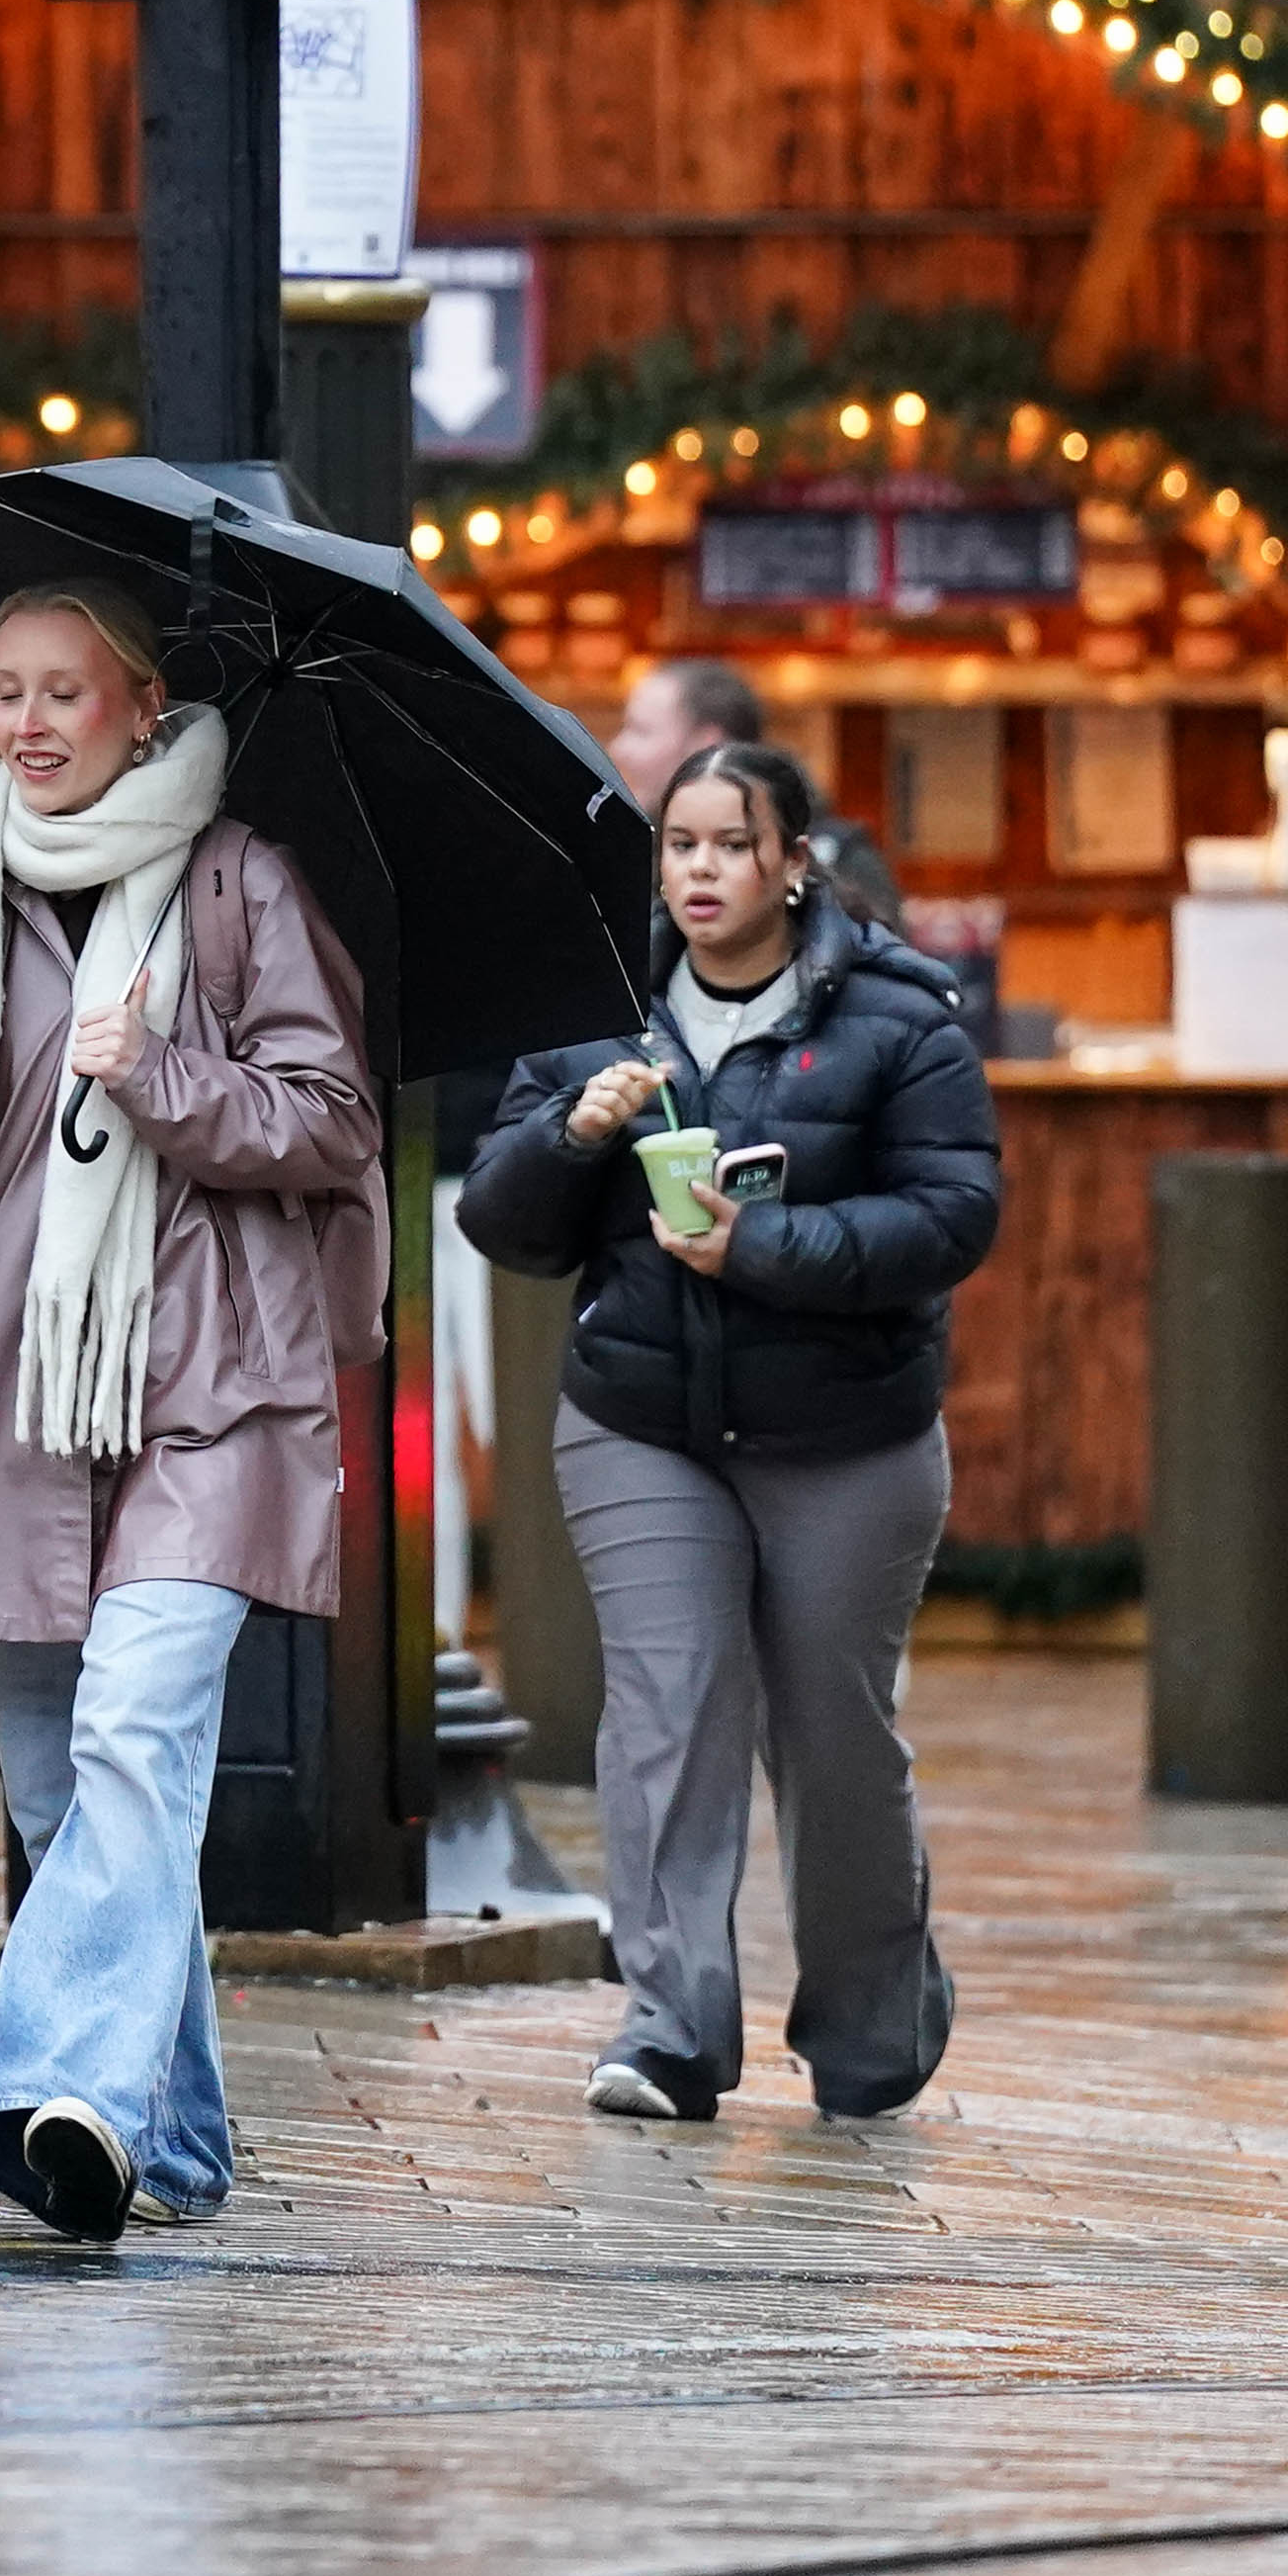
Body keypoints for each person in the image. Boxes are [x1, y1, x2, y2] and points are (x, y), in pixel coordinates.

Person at [0, 580, 382, 2242]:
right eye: (6, 693)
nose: (28, 726)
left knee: (130, 1740)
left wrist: (159, 1075)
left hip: (207, 1382)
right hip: (12, 1392)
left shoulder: (240, 880)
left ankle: (55, 2096)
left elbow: (332, 1122)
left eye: (63, 694)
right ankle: (172, 2140)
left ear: (140, 704)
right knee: (58, 1793)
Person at [465, 736, 998, 2129]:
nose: (702, 871)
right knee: (669, 1705)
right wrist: (569, 1138)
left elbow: (952, 1220)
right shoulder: (599, 1000)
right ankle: (671, 2027)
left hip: (848, 1436)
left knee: (834, 1737)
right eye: (680, 845)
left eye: (731, 845)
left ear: (792, 861)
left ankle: (874, 2019)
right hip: (644, 1422)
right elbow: (500, 1225)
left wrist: (762, 1250)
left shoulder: (899, 1015)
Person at [607, 657, 897, 926]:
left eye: (640, 731)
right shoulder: (629, 856)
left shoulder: (839, 860)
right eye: (683, 846)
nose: (619, 749)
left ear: (708, 745)